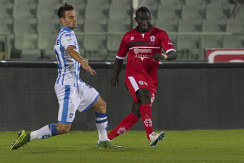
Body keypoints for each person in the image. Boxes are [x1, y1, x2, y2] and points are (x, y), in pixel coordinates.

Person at [10, 2, 121, 150]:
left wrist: (81, 60)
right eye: (70, 17)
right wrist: (81, 60)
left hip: (77, 83)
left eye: (75, 16)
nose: (74, 19)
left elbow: (71, 52)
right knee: (63, 128)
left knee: (101, 104)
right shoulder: (65, 35)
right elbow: (70, 50)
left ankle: (103, 140)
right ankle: (28, 136)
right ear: (62, 20)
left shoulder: (70, 33)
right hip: (67, 86)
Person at [108, 6, 177, 147]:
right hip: (133, 75)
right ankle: (151, 135)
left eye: (147, 19)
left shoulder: (160, 34)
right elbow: (119, 58)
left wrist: (164, 55)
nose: (145, 22)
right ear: (136, 20)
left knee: (137, 112)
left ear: (150, 18)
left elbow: (173, 54)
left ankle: (106, 139)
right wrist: (115, 75)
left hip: (151, 80)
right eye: (141, 19)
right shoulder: (128, 37)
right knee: (144, 95)